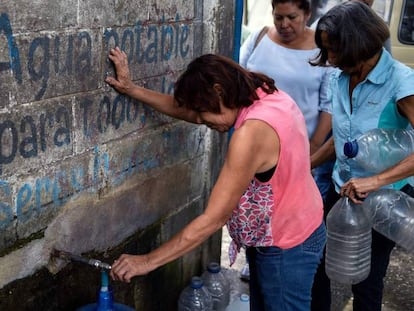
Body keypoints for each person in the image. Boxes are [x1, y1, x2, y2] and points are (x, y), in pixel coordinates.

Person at [105, 48, 326, 310]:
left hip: (285, 247)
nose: (199, 121)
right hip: (300, 226)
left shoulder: (251, 134)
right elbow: (191, 112)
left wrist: (147, 261)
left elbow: (213, 219)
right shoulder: (266, 94)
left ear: (219, 91)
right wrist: (132, 89)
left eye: (202, 113)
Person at [309, 2, 414, 310]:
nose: (328, 60)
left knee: (367, 280)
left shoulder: (401, 81)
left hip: (385, 201)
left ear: (357, 43)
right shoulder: (339, 78)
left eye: (334, 51)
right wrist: (307, 164)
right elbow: (342, 139)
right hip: (340, 190)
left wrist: (375, 181)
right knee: (319, 267)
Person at [239, 0, 335, 281]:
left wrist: (311, 156)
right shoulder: (258, 39)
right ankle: (257, 264)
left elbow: (327, 107)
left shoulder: (322, 51)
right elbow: (239, 80)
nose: (284, 24)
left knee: (290, 228)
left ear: (307, 14)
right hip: (257, 155)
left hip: (300, 156)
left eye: (292, 17)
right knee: (256, 214)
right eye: (278, 17)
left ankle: (287, 278)